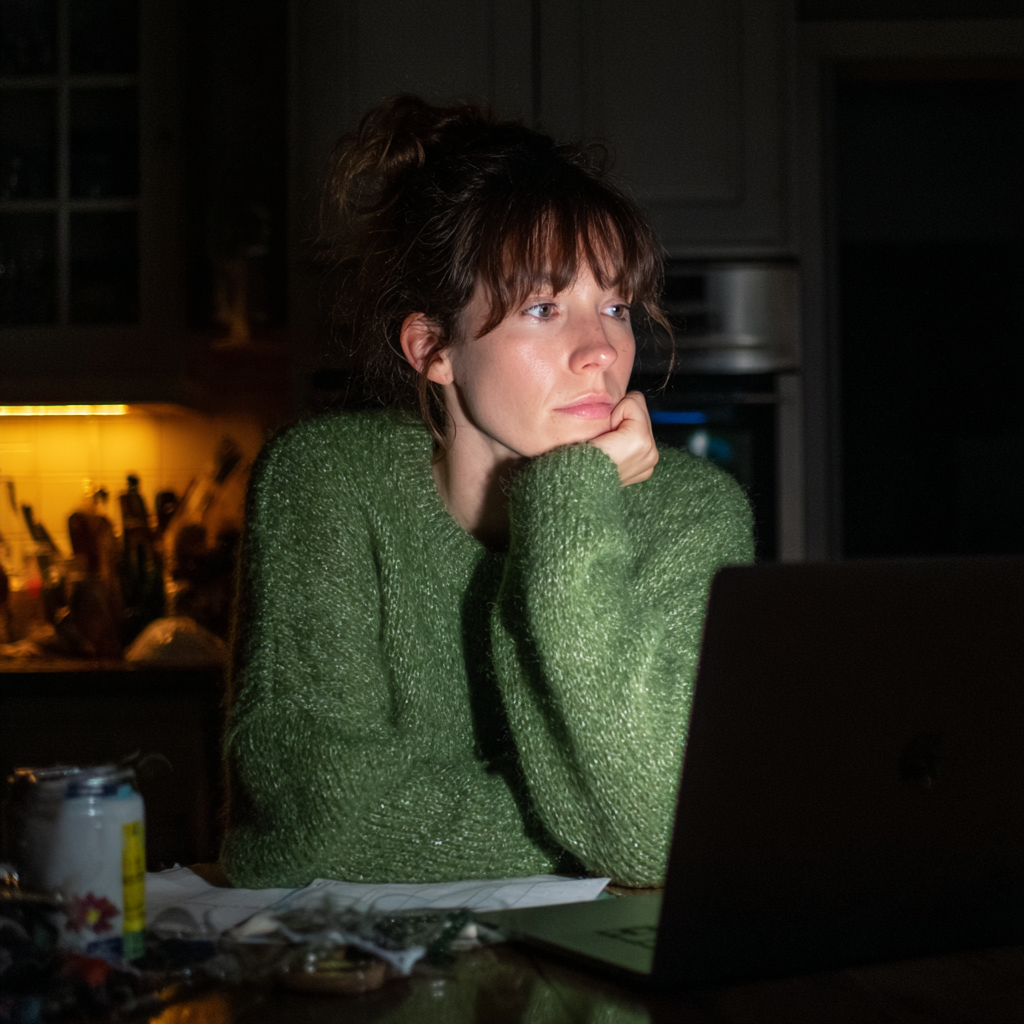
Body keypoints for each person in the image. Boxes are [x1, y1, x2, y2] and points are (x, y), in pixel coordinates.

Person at [220, 96, 754, 889]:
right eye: (544, 308)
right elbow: (315, 823)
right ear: (433, 348)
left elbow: (654, 836)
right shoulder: (326, 483)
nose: (602, 350)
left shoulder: (694, 514)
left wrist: (572, 501)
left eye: (615, 306)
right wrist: (577, 831)